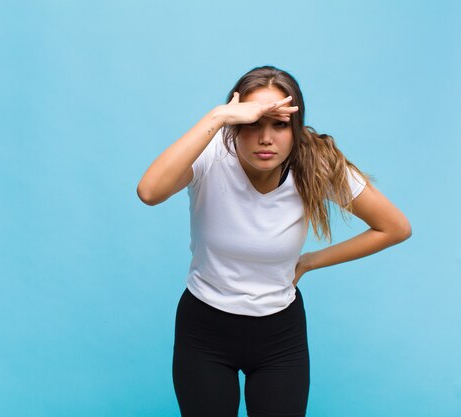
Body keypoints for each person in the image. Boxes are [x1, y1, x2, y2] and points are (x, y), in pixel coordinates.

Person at [136, 65, 412, 417]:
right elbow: (149, 191)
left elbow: (394, 227)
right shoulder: (212, 154)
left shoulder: (315, 162)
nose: (265, 138)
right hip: (204, 329)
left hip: (280, 336)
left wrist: (310, 261)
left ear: (295, 129)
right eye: (252, 123)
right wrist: (219, 115)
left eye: (279, 124)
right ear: (236, 123)